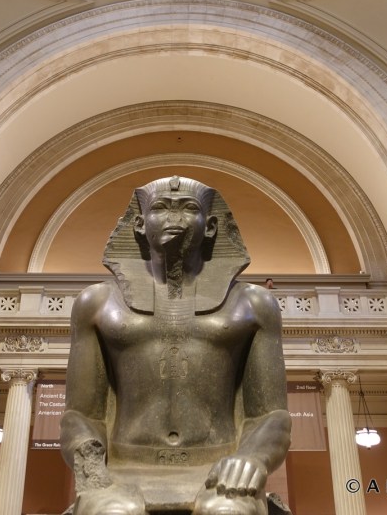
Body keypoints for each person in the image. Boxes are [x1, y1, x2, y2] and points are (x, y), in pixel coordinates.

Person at [61, 176, 291, 515]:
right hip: (123, 472)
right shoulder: (97, 304)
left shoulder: (253, 305)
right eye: (160, 208)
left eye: (188, 208)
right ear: (139, 224)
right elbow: (81, 413)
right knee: (114, 512)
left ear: (210, 227)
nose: (174, 218)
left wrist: (252, 456)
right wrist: (92, 465)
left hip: (219, 471)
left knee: (227, 512)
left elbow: (271, 414)